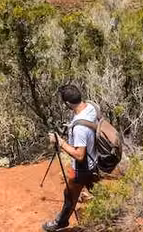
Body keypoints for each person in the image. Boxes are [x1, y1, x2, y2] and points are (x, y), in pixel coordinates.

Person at [42, 85, 99, 232]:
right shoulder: (91, 107)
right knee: (95, 189)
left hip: (83, 167)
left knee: (69, 193)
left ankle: (61, 222)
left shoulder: (79, 128)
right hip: (95, 160)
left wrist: (60, 142)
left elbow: (79, 155)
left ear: (67, 103)